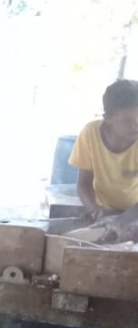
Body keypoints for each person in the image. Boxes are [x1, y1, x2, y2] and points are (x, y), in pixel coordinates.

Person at [69, 79, 138, 241]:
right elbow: (84, 184)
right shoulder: (90, 134)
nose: (136, 126)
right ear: (108, 118)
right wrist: (95, 211)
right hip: (104, 210)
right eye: (128, 121)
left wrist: (124, 220)